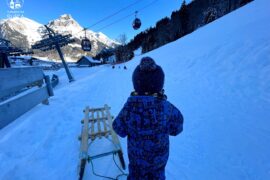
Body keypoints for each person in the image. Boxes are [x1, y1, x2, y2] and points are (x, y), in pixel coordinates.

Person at [113, 57, 184, 180]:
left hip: (136, 164)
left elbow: (118, 128)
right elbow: (177, 128)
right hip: (158, 164)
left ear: (136, 84)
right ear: (159, 85)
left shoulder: (129, 107)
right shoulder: (166, 108)